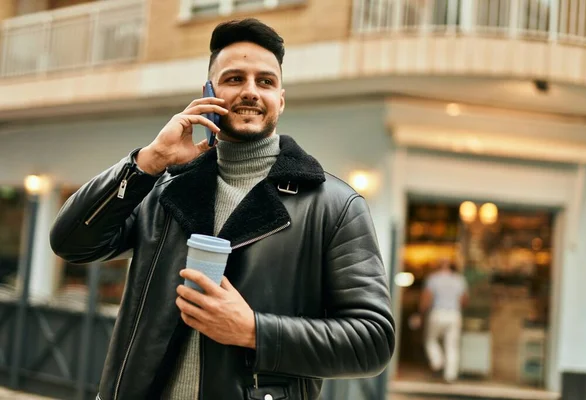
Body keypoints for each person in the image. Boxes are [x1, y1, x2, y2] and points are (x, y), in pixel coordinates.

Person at [50, 18, 395, 399]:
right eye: (234, 79)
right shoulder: (165, 187)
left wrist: (254, 330)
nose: (251, 91)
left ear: (280, 98)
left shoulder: (335, 205)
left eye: (265, 81)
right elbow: (71, 242)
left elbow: (372, 340)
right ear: (208, 92)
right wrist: (148, 161)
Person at [418, 258, 468, 383]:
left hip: (437, 312)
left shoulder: (433, 279)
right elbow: (464, 300)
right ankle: (450, 375)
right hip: (454, 314)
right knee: (452, 345)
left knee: (430, 340)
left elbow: (426, 298)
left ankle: (437, 361)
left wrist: (420, 313)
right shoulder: (459, 280)